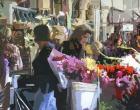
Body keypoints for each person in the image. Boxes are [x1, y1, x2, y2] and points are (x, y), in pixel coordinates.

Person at [55, 24, 92, 110]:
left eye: (88, 38)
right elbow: (58, 63)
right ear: (79, 35)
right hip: (65, 83)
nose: (86, 40)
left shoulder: (82, 48)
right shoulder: (65, 46)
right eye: (85, 37)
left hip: (77, 83)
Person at [32, 25, 59, 110]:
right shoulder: (47, 48)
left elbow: (56, 69)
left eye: (35, 35)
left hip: (46, 87)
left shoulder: (48, 50)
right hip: (46, 86)